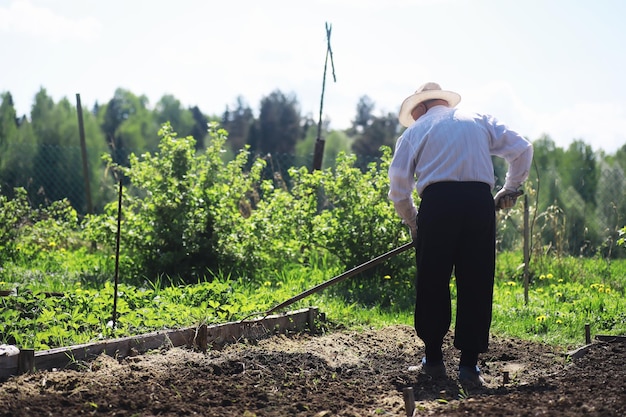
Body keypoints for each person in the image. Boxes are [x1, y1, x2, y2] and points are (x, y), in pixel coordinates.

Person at [388, 82, 533, 388]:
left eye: (413, 112)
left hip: (437, 206)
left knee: (432, 280)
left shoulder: (413, 133)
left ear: (421, 107)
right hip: (479, 204)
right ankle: (469, 367)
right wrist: (510, 187)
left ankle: (434, 361)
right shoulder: (478, 119)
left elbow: (399, 190)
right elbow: (522, 149)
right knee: (476, 280)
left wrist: (415, 223)